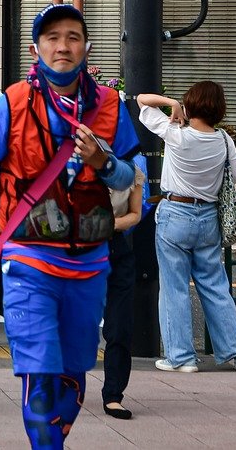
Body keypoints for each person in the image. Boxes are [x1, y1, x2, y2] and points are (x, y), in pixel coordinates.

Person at [0, 4, 141, 449]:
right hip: (28, 257)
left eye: (72, 36)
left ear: (85, 46)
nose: (62, 45)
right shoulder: (12, 102)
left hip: (90, 261)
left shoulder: (108, 105)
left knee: (73, 373)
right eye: (52, 37)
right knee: (40, 371)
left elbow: (130, 176)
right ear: (36, 48)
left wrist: (104, 162)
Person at [137, 84, 236, 373]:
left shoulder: (177, 135)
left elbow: (142, 101)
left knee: (174, 288)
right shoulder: (224, 140)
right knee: (215, 286)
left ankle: (181, 358)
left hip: (175, 213)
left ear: (189, 106)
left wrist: (170, 102)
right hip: (209, 218)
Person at [102, 158, 146, 418]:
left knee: (120, 326)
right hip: (78, 252)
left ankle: (113, 395)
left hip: (117, 249)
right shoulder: (72, 163)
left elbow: (135, 214)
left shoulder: (132, 171)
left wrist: (108, 225)